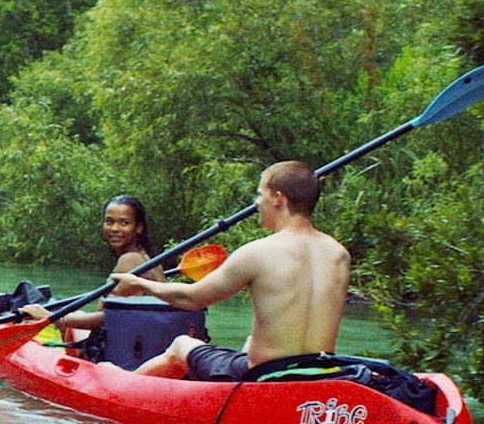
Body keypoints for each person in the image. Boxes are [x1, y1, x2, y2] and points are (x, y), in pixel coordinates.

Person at [110, 160, 350, 381]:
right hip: (321, 373)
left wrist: (140, 284)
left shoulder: (258, 252)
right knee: (249, 343)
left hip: (266, 375)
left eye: (260, 194)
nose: (257, 203)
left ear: (278, 198)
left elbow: (191, 298)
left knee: (182, 345)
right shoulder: (338, 254)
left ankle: (123, 384)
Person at [21, 195, 166, 333]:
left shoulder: (129, 260)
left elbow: (106, 319)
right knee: (78, 314)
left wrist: (53, 318)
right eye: (109, 221)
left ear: (139, 227)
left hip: (129, 348)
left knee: (72, 324)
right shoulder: (151, 260)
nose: (114, 228)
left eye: (124, 223)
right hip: (142, 341)